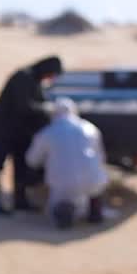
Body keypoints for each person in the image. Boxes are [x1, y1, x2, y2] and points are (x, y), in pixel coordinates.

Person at [0, 55, 63, 214]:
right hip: (2, 130)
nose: (51, 78)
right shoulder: (23, 77)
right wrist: (46, 109)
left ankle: (20, 200)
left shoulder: (36, 81)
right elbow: (25, 106)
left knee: (20, 166)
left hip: (19, 133)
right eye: (52, 74)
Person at [25, 98, 109, 229]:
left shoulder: (47, 132)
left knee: (59, 201)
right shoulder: (90, 128)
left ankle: (65, 214)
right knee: (93, 189)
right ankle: (94, 210)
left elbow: (31, 160)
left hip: (61, 185)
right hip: (93, 181)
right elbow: (101, 157)